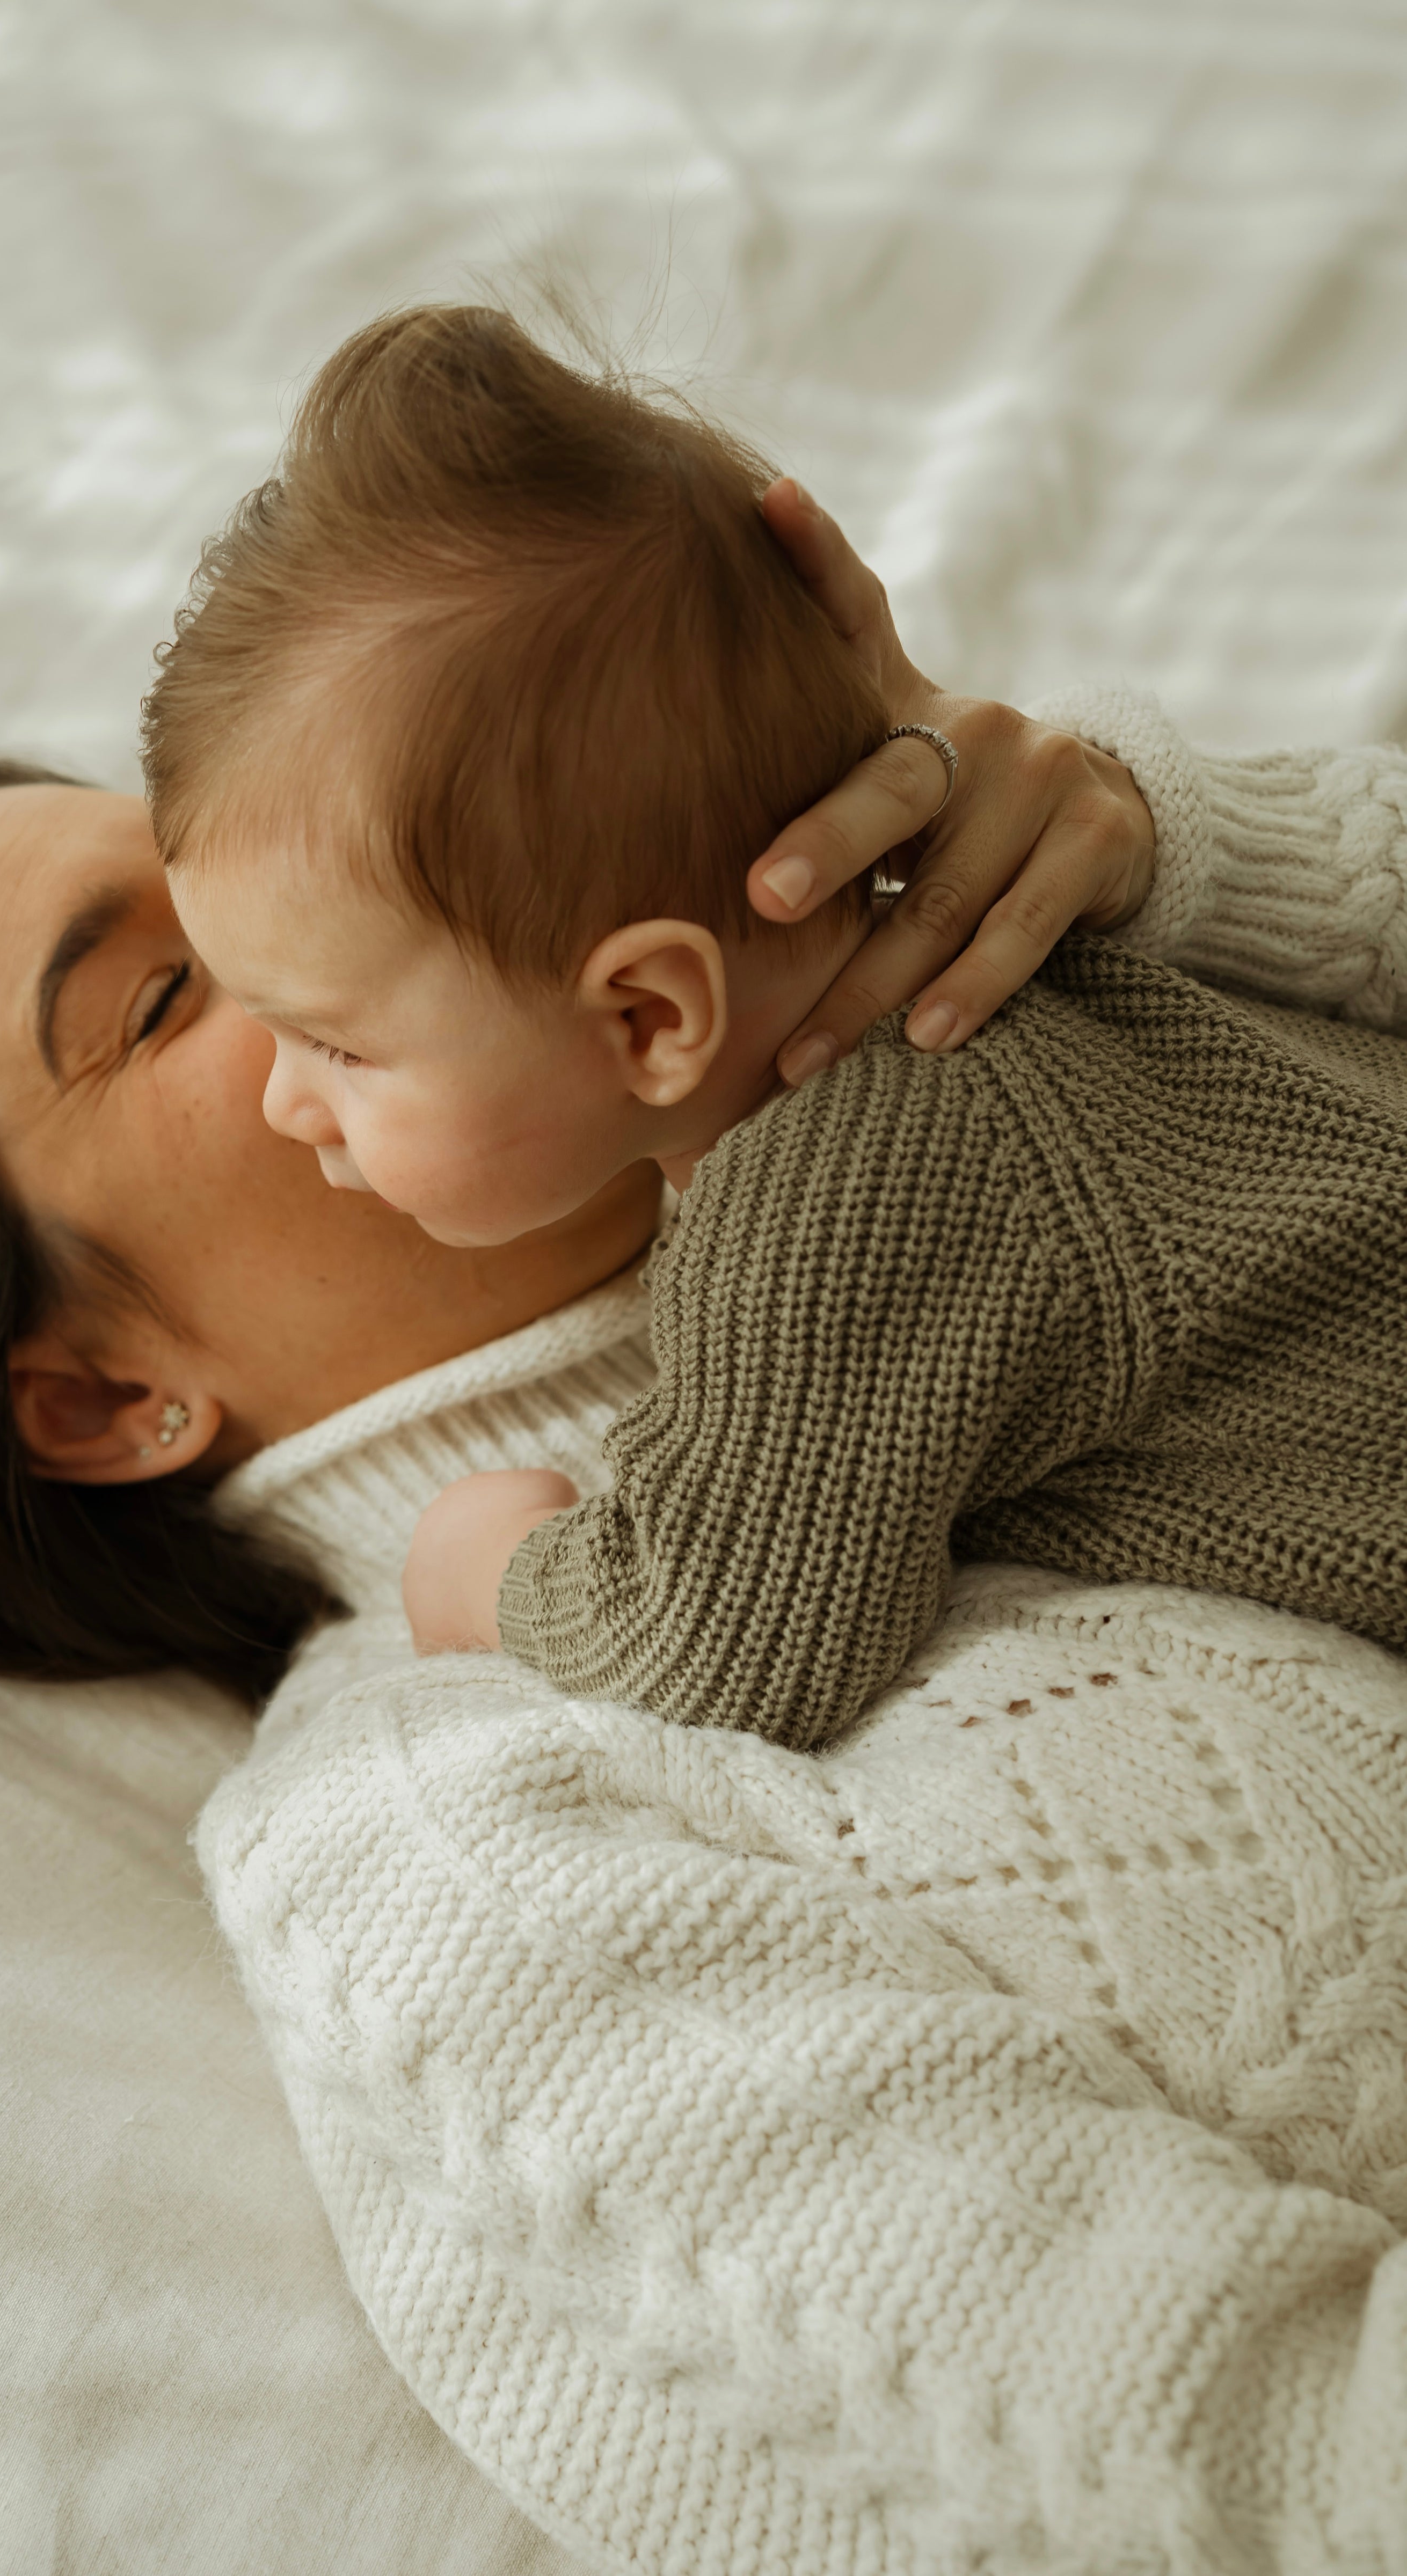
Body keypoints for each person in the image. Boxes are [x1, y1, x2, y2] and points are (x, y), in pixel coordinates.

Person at [142, 303, 1407, 1750]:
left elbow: (726, 1643)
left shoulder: (825, 1205)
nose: (284, 1100)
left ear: (651, 1014)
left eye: (338, 1046)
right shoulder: (1023, 965)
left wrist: (488, 1574)